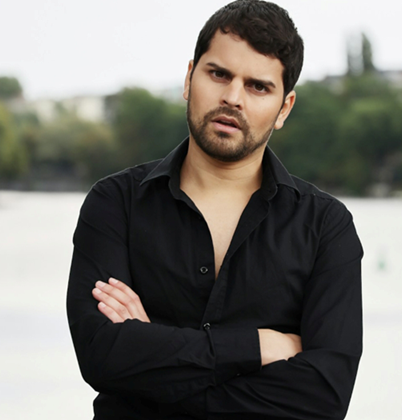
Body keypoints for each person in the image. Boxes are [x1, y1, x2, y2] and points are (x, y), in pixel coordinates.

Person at [66, 1, 364, 418]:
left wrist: (151, 366)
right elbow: (101, 355)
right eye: (219, 74)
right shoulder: (116, 204)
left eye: (258, 86)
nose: (232, 98)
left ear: (284, 108)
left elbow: (323, 398)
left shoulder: (325, 227)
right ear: (189, 77)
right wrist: (257, 347)